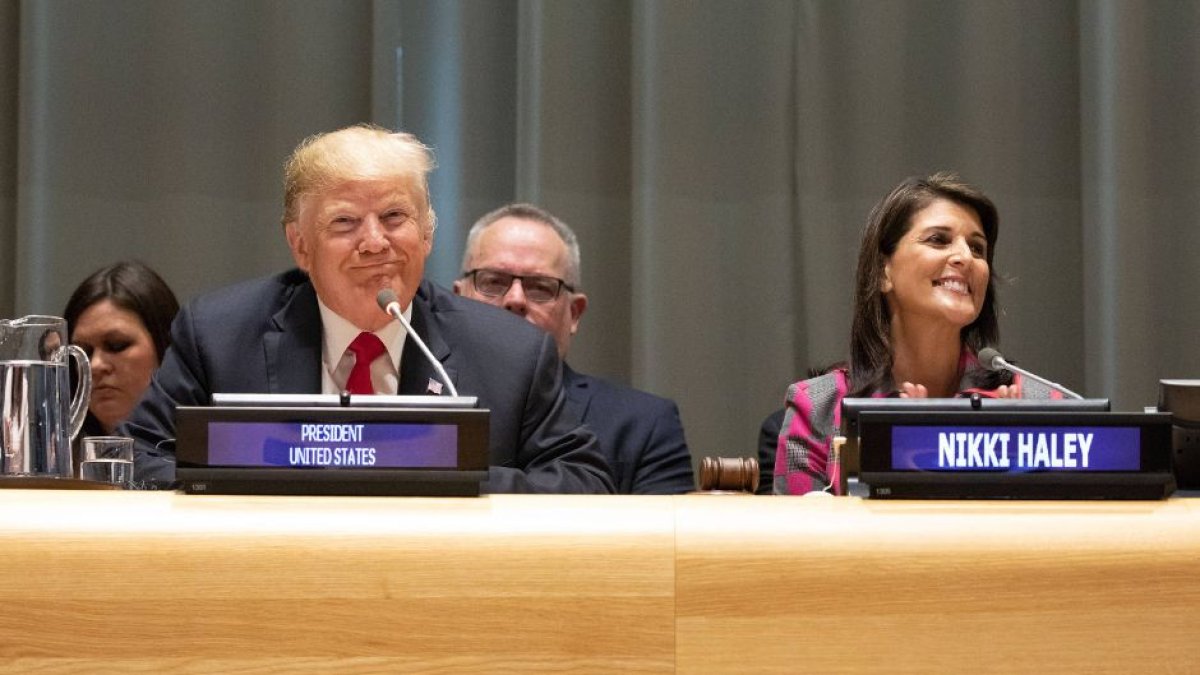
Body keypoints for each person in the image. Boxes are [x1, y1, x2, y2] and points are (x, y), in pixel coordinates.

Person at [121, 125, 613, 493]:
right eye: (345, 222)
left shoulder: (510, 351)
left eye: (395, 217)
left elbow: (583, 481)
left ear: (427, 234)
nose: (375, 242)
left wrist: (453, 480)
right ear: (300, 246)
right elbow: (134, 459)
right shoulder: (221, 334)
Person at [774, 172, 1060, 495]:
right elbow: (798, 543)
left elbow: (1077, 540)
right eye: (938, 239)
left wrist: (1010, 466)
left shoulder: (1037, 404)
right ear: (884, 272)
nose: (966, 257)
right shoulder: (818, 409)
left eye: (978, 248)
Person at [454, 204, 694, 494]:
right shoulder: (414, 400)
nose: (514, 300)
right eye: (493, 282)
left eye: (540, 287)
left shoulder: (644, 425)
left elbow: (667, 538)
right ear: (458, 298)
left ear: (575, 314)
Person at [63, 261, 180, 437]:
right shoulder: (50, 456)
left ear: (164, 345)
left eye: (117, 345)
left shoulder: (207, 450)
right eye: (83, 352)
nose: (95, 365)